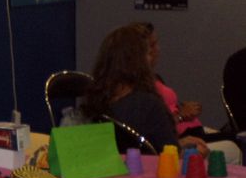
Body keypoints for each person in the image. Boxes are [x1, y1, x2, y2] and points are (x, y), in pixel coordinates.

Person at [84, 24, 207, 155]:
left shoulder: (97, 98)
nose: (152, 57)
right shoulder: (148, 104)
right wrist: (197, 153)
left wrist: (179, 143)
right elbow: (171, 156)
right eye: (148, 53)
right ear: (137, 61)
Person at [139, 22, 241, 165]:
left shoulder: (153, 78)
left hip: (190, 130)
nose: (158, 50)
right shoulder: (141, 88)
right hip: (179, 137)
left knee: (237, 138)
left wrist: (181, 109)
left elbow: (165, 110)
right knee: (236, 143)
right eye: (152, 46)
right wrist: (181, 116)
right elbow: (156, 126)